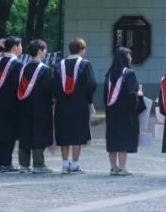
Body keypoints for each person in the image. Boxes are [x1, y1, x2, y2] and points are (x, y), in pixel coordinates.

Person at [54, 37, 97, 174]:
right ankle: (75, 164)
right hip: (79, 105)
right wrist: (88, 99)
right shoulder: (85, 64)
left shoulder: (59, 65)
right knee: (77, 135)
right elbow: (91, 84)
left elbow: (53, 86)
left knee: (64, 134)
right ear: (82, 50)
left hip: (62, 106)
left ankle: (64, 164)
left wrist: (60, 98)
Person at [104, 47, 144, 176]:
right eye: (129, 56)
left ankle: (113, 167)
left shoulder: (109, 74)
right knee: (123, 137)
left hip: (111, 111)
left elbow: (105, 95)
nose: (131, 58)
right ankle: (122, 167)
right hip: (125, 112)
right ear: (124, 58)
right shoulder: (129, 74)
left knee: (112, 137)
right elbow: (131, 95)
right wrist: (139, 94)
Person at [16, 39, 54, 174]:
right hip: (40, 107)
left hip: (24, 106)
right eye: (45, 50)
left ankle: (23, 164)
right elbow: (49, 89)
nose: (46, 53)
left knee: (25, 133)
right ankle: (38, 164)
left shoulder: (23, 68)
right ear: (40, 51)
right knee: (39, 133)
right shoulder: (45, 70)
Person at [0, 37, 23, 172]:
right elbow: (18, 85)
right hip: (12, 104)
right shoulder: (17, 64)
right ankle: (6, 162)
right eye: (20, 45)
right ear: (15, 47)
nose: (21, 48)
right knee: (10, 133)